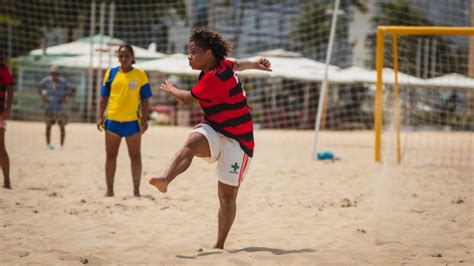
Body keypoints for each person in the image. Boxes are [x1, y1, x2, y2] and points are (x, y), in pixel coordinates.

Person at [149, 28, 272, 249]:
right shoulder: (222, 64)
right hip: (215, 127)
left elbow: (187, 99)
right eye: (189, 51)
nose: (189, 56)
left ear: (208, 53)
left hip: (239, 140)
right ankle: (165, 179)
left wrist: (171, 88)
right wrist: (255, 64)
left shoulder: (214, 78)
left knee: (226, 198)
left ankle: (219, 245)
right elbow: (237, 64)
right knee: (192, 142)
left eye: (193, 52)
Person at [97, 44, 152, 197]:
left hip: (132, 123)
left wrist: (145, 120)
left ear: (133, 57)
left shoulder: (140, 74)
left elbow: (146, 99)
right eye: (121, 56)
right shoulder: (111, 73)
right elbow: (104, 97)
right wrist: (100, 116)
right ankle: (109, 190)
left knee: (135, 156)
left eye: (127, 56)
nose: (123, 59)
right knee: (110, 156)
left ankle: (136, 190)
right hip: (112, 121)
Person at [38, 65, 76, 149]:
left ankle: (61, 145)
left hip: (60, 108)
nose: (53, 75)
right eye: (52, 73)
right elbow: (39, 87)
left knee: (62, 126)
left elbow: (73, 89)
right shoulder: (46, 81)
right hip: (49, 107)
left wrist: (65, 97)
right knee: (48, 126)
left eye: (55, 73)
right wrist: (44, 97)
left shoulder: (63, 81)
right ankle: (48, 144)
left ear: (58, 73)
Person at [0, 52, 15, 189]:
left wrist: (8, 109)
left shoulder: (3, 68)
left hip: (0, 112)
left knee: (1, 147)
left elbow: (10, 89)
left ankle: (7, 181)